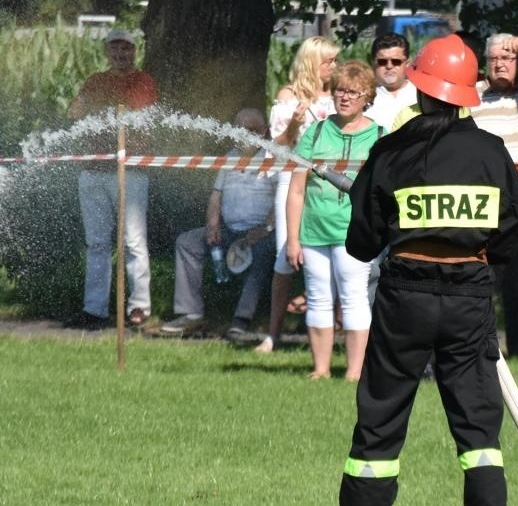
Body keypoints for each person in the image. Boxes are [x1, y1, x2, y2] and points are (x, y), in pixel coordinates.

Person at [332, 33, 518, 506]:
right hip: (469, 299)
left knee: (381, 416)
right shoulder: (491, 153)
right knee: (478, 428)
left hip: (404, 298)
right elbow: (511, 233)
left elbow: (361, 242)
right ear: (464, 94)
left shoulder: (390, 150)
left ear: (420, 88)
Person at [285, 60, 382, 380]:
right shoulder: (315, 132)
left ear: (367, 96)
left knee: (354, 298)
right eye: (340, 90)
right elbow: (296, 190)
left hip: (354, 234)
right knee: (318, 299)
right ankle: (321, 369)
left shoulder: (380, 136)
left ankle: (354, 372)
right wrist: (293, 239)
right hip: (313, 231)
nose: (345, 97)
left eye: (353, 92)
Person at [63, 29, 157, 331]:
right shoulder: (95, 80)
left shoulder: (143, 82)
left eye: (126, 48)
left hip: (129, 170)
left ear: (134, 51)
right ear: (106, 52)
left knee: (133, 240)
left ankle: (139, 307)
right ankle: (95, 309)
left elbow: (135, 116)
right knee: (97, 243)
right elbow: (75, 112)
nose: (120, 54)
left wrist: (100, 110)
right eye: (115, 49)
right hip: (93, 169)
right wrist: (86, 108)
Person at [256, 35, 339, 354]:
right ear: (311, 63)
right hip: (293, 182)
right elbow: (276, 148)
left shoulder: (340, 96)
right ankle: (272, 334)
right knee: (286, 258)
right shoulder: (288, 97)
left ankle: (326, 334)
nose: (334, 66)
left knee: (332, 254)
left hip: (330, 184)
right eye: (328, 61)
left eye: (335, 60)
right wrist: (293, 124)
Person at [163, 108, 275, 340]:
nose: (243, 134)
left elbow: (280, 200)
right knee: (187, 242)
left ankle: (241, 321)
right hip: (228, 230)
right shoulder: (230, 156)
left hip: (259, 232)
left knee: (264, 251)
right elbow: (216, 195)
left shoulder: (272, 158)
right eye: (239, 128)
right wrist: (212, 225)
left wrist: (265, 228)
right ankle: (191, 314)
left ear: (264, 131)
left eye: (251, 130)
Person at [473, 33, 518, 356]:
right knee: (481, 282)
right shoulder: (473, 96)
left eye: (507, 58)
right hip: (481, 208)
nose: (500, 64)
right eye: (494, 59)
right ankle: (480, 347)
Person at [365, 33, 416, 130]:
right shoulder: (360, 97)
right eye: (382, 61)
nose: (389, 66)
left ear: (407, 63)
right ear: (372, 63)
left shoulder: (421, 96)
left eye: (396, 61)